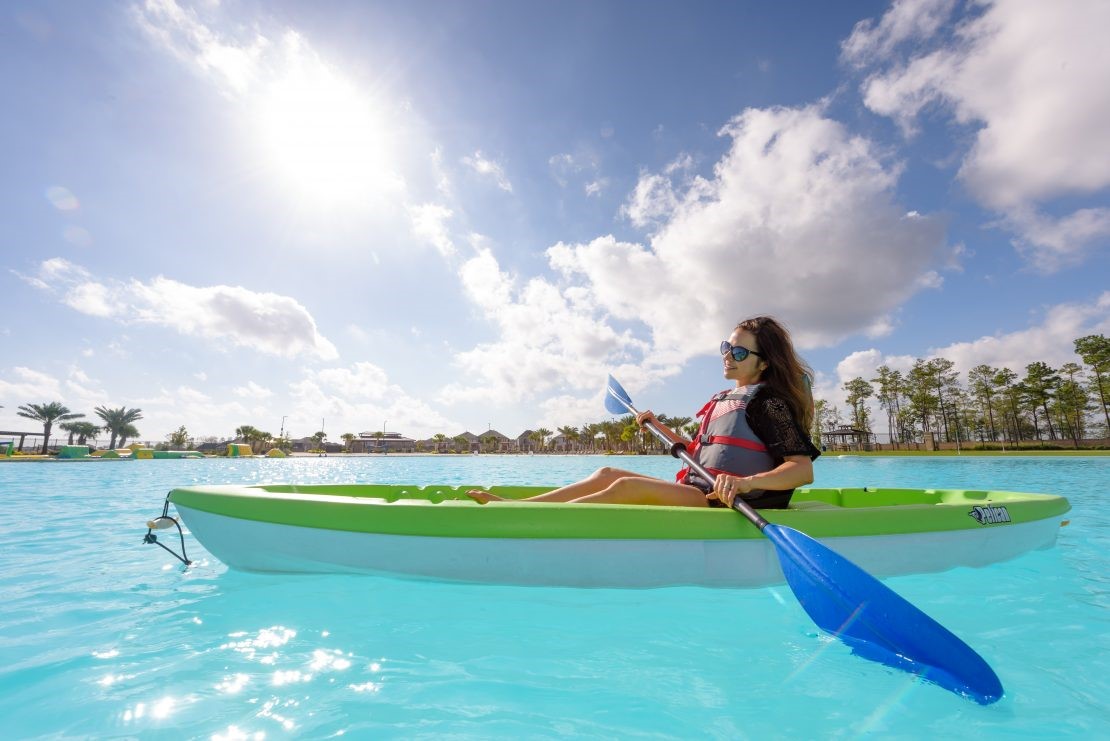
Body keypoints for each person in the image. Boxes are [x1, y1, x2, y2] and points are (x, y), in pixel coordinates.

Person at [467, 316, 820, 509]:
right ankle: (521, 505)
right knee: (606, 471)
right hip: (702, 486)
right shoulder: (727, 398)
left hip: (727, 501)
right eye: (727, 347)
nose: (728, 355)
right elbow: (702, 453)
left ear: (763, 363)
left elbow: (801, 470)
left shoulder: (768, 403)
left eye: (739, 352)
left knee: (624, 487)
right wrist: (659, 428)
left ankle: (534, 518)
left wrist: (744, 483)